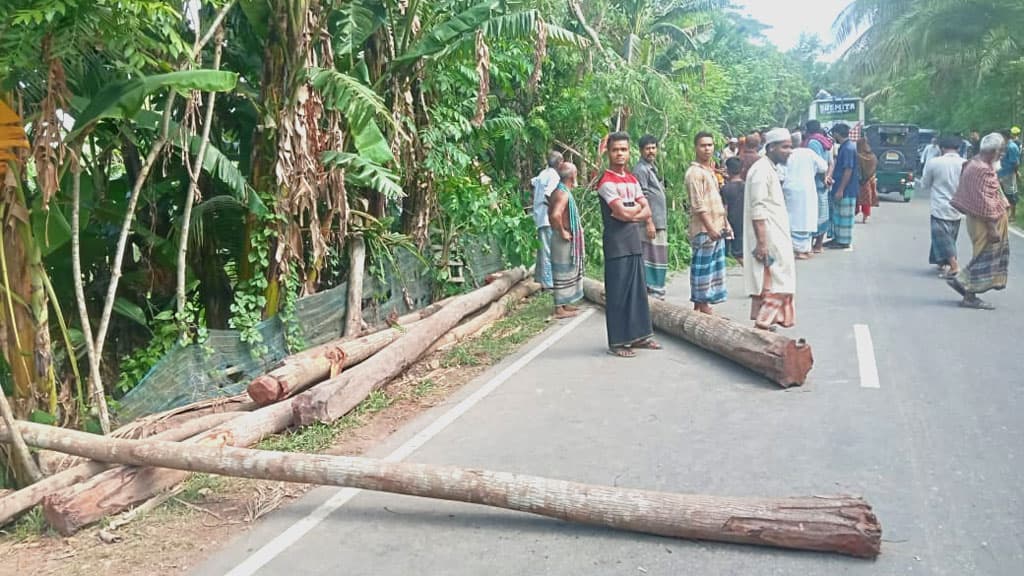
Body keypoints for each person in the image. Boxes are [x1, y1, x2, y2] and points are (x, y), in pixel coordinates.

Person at [597, 132, 661, 357]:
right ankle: (618, 341)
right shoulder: (606, 182)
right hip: (616, 244)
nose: (620, 154)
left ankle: (641, 335)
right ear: (609, 152)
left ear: (629, 151)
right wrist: (634, 213)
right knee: (618, 293)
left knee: (637, 292)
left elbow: (646, 210)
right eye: (616, 150)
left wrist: (630, 214)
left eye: (623, 149)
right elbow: (620, 212)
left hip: (633, 242)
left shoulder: (632, 179)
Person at [947, 133, 1011, 310]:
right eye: (1001, 151)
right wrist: (992, 227)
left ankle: (966, 287)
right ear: (993, 151)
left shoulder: (975, 163)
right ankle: (967, 292)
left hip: (979, 219)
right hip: (985, 222)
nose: (1002, 155)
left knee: (983, 254)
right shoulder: (981, 169)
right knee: (982, 255)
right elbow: (985, 200)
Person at [744, 128, 797, 330]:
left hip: (776, 234)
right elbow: (758, 210)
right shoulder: (761, 171)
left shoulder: (769, 168)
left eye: (790, 147)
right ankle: (763, 325)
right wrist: (763, 243)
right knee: (776, 283)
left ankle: (767, 325)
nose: (789, 151)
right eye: (785, 147)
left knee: (777, 281)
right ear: (771, 147)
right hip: (769, 237)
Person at [686, 131, 731, 314]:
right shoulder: (694, 173)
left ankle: (701, 307)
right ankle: (702, 305)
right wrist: (710, 228)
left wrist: (726, 224)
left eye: (710, 145)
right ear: (696, 147)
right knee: (702, 269)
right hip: (704, 229)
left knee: (713, 269)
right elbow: (698, 205)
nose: (707, 149)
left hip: (717, 225)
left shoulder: (711, 171)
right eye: (703, 145)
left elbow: (717, 201)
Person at [920, 136, 966, 279]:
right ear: (958, 148)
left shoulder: (934, 162)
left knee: (942, 237)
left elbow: (925, 184)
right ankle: (941, 262)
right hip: (958, 205)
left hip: (939, 205)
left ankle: (954, 266)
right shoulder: (965, 163)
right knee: (951, 235)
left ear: (941, 148)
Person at [547, 162, 585, 318]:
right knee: (561, 271)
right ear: (572, 176)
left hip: (563, 236)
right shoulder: (563, 194)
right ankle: (559, 309)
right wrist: (562, 231)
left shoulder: (559, 190)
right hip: (562, 238)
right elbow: (555, 214)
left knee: (567, 270)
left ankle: (564, 303)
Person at [633, 134, 669, 299]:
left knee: (658, 255)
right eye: (647, 148)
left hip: (659, 221)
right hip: (650, 222)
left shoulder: (651, 167)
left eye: (653, 147)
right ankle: (652, 293)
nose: (651, 151)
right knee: (652, 256)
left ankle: (655, 290)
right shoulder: (641, 169)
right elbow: (642, 196)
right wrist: (649, 222)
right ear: (641, 150)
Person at [782, 131, 827, 259]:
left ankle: (797, 249)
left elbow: (780, 172)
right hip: (807, 189)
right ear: (802, 141)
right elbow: (823, 167)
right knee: (806, 217)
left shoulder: (787, 154)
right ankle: (803, 249)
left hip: (789, 188)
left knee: (793, 219)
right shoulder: (809, 153)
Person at [531, 150, 563, 289]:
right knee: (548, 251)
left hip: (538, 215)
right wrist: (553, 208)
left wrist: (536, 199)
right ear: (559, 163)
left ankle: (539, 278)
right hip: (546, 217)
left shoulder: (543, 173)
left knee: (542, 249)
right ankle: (548, 283)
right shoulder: (554, 176)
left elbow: (532, 182)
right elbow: (547, 193)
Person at [826, 123, 860, 250]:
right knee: (838, 215)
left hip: (846, 189)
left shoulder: (848, 148)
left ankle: (843, 241)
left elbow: (848, 170)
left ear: (836, 133)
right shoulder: (845, 147)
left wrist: (841, 190)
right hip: (842, 187)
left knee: (844, 215)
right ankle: (837, 238)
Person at [805, 120, 834, 254]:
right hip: (824, 184)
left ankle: (811, 245)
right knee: (823, 214)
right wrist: (828, 178)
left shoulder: (812, 143)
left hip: (815, 183)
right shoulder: (826, 141)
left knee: (812, 214)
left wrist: (823, 178)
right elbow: (830, 163)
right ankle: (819, 244)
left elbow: (818, 164)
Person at [720, 156, 745, 264]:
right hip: (745, 218)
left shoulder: (725, 188)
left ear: (727, 170)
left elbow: (724, 208)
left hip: (731, 220)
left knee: (734, 249)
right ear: (742, 169)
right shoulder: (746, 186)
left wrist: (724, 222)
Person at [998, 127, 1020, 221]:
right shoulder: (1003, 146)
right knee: (1002, 194)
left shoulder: (1012, 147)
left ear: (1005, 136)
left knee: (1011, 194)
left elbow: (1015, 163)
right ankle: (1004, 213)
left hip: (1009, 173)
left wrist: (1016, 173)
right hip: (1001, 173)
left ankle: (1013, 215)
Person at [857, 138, 879, 223]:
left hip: (858, 181)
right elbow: (874, 167)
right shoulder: (872, 156)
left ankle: (854, 212)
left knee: (857, 198)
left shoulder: (857, 155)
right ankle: (865, 217)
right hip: (869, 180)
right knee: (867, 199)